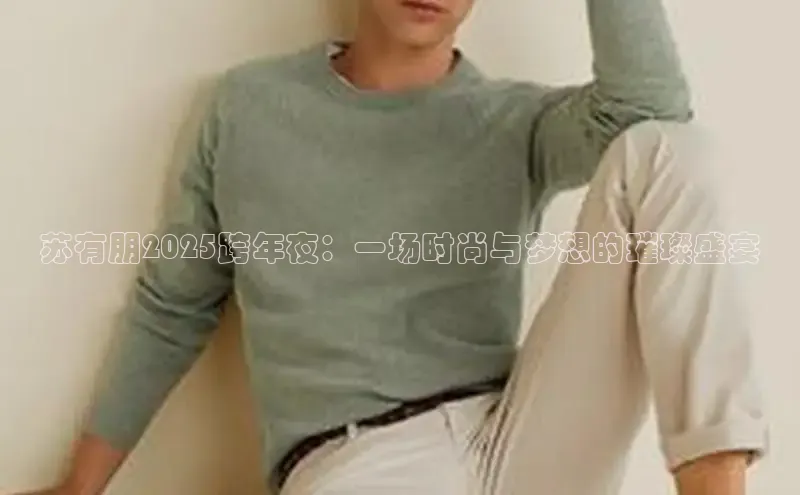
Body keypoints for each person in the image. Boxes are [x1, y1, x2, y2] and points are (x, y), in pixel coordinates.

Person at [15, 0, 769, 494]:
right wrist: (80, 486)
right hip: (357, 461)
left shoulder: (514, 122)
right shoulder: (250, 108)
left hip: (517, 436)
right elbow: (173, 306)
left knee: (671, 150)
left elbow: (650, 107)